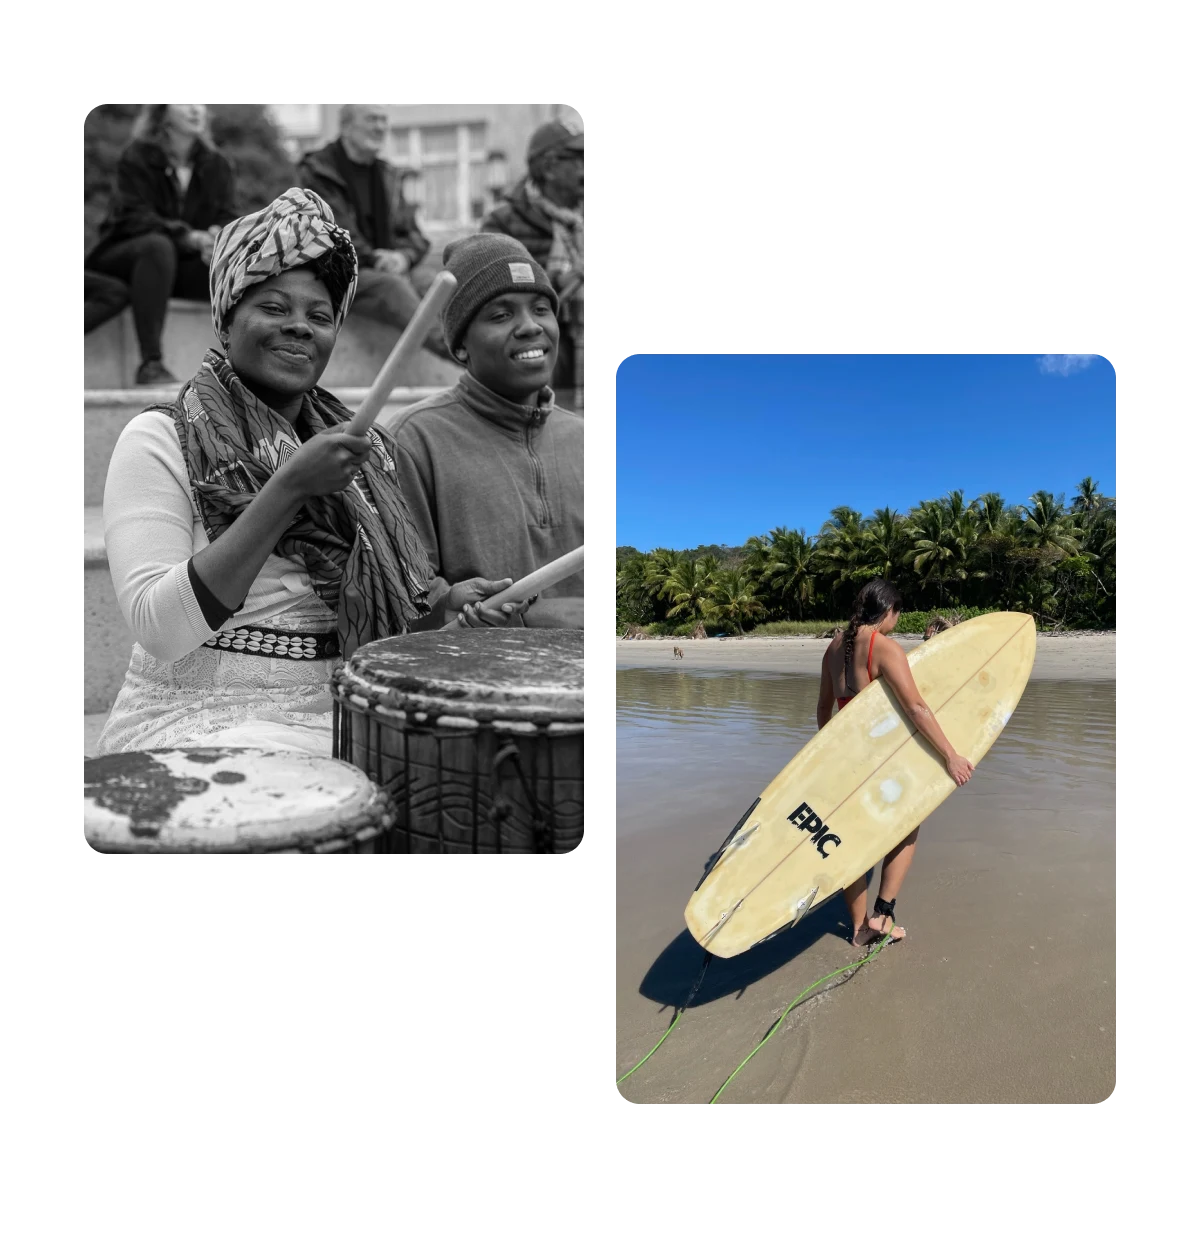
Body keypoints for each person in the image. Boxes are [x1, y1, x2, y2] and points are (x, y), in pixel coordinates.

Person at [95, 188, 528, 758]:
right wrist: (290, 488)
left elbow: (381, 628)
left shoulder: (365, 452)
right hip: (198, 720)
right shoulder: (158, 438)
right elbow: (160, 628)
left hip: (346, 709)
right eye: (273, 308)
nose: (300, 327)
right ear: (225, 325)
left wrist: (449, 611)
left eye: (319, 316)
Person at [377, 234, 584, 630]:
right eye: (500, 315)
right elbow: (405, 593)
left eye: (541, 309)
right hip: (473, 683)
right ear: (460, 347)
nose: (530, 327)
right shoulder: (412, 440)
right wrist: (451, 606)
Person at [816, 578, 976, 946]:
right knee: (906, 827)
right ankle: (883, 915)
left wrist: (827, 759)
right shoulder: (884, 648)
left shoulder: (834, 646)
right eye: (897, 614)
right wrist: (951, 756)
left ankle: (858, 930)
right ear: (888, 611)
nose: (897, 622)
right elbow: (916, 708)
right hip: (881, 762)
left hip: (844, 763)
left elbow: (824, 709)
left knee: (851, 843)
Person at [83, 104, 238, 385]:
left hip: (177, 266)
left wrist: (217, 238)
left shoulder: (216, 163)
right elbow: (134, 216)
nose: (195, 110)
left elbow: (227, 214)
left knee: (233, 269)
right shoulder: (138, 156)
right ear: (162, 111)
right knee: (158, 246)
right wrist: (188, 238)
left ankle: (241, 371)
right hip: (127, 256)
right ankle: (150, 364)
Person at [296, 105, 455, 363]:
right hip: (338, 275)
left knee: (433, 282)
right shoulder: (318, 172)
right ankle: (458, 354)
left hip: (387, 270)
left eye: (383, 120)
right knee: (391, 286)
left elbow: (414, 234)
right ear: (347, 127)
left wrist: (402, 257)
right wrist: (379, 260)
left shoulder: (387, 175)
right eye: (372, 119)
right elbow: (335, 233)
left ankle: (472, 341)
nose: (381, 127)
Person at [481, 117, 583, 394]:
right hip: (537, 339)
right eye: (579, 160)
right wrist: (558, 283)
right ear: (550, 167)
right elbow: (490, 294)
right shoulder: (501, 223)